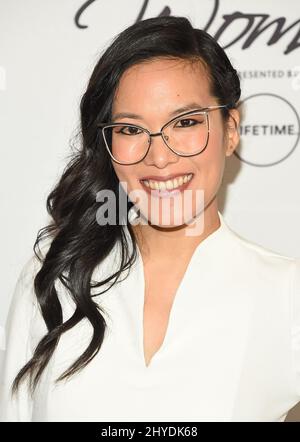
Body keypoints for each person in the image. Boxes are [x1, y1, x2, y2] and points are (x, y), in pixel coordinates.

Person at [0, 15, 299, 422]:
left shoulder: (286, 295)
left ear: (231, 129)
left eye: (186, 122)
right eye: (130, 129)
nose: (159, 157)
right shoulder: (57, 276)